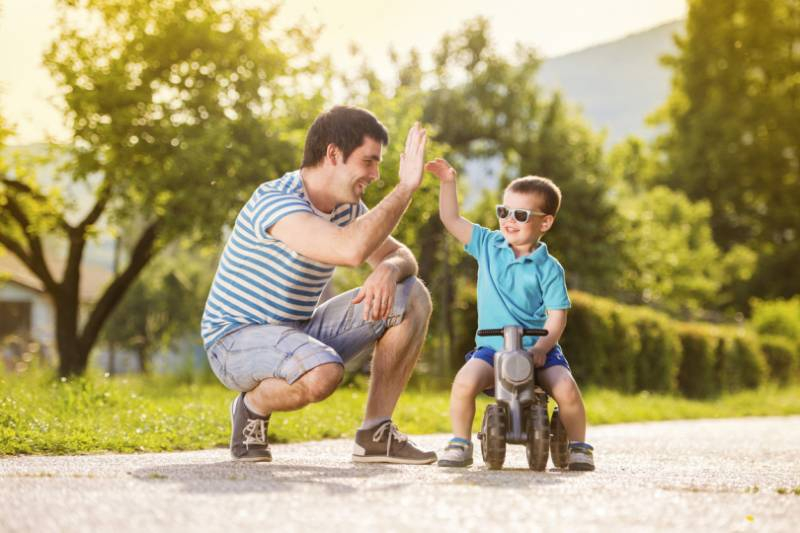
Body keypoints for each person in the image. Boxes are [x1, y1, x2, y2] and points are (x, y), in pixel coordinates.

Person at [202, 106, 436, 464]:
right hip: (234, 340)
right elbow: (350, 249)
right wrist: (406, 188)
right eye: (369, 162)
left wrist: (389, 268)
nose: (375, 174)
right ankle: (251, 406)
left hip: (296, 331)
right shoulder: (275, 201)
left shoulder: (346, 207)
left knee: (412, 294)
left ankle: (375, 433)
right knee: (323, 373)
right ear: (333, 154)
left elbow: (401, 254)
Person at [425, 158, 594, 471]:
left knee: (567, 389)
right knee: (464, 382)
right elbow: (450, 219)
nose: (508, 220)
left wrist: (542, 349)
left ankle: (579, 446)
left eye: (520, 214)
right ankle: (460, 442)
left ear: (544, 222)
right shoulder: (488, 244)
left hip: (538, 352)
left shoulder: (549, 267)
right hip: (492, 350)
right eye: (503, 211)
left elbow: (557, 315)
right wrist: (448, 182)